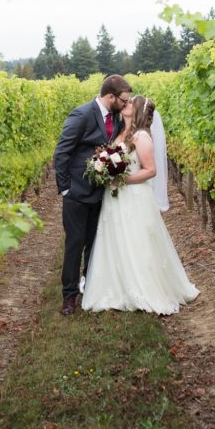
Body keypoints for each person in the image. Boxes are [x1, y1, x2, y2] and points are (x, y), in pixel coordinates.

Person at [81, 95, 199, 315]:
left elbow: (150, 170)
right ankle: (115, 285)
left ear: (136, 111)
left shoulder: (142, 136)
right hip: (115, 196)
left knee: (135, 239)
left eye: (129, 103)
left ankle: (141, 287)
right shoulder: (120, 133)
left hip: (133, 196)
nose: (124, 104)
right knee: (115, 237)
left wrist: (122, 179)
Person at [53, 74, 132, 316]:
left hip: (101, 193)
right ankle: (69, 296)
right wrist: (66, 188)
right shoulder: (82, 114)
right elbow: (62, 151)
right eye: (123, 100)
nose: (125, 104)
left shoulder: (117, 119)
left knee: (95, 244)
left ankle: (90, 287)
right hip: (76, 193)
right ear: (111, 97)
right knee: (74, 244)